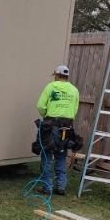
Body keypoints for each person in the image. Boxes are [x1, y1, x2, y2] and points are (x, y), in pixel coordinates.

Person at [36, 64, 79, 195]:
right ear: (67, 76)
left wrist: (46, 116)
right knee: (61, 155)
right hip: (66, 129)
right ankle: (61, 187)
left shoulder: (51, 87)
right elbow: (75, 110)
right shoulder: (74, 90)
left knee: (47, 155)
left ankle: (47, 187)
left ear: (56, 75)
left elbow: (40, 106)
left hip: (51, 128)